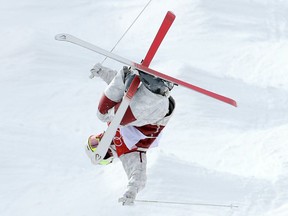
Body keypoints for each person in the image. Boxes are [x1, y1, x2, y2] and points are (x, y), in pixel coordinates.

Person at [85, 63, 176, 205]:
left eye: (94, 141)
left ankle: (127, 76)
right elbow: (137, 175)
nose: (100, 141)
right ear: (107, 156)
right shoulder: (127, 154)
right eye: (98, 148)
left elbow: (114, 90)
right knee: (118, 119)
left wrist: (102, 71)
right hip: (157, 112)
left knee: (103, 114)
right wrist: (131, 192)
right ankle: (156, 89)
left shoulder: (111, 125)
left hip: (140, 94)